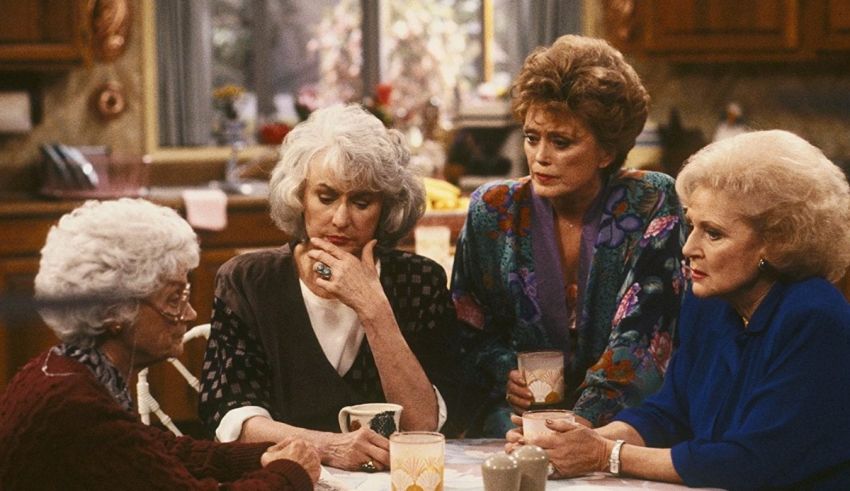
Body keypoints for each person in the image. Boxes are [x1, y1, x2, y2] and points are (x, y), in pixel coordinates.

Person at [507, 130, 850, 489]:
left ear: (777, 242)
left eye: (713, 233)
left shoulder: (815, 318)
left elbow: (750, 462)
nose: (688, 248)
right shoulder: (712, 305)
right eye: (690, 226)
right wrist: (576, 440)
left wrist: (604, 454)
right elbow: (668, 414)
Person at [199, 103, 461, 471]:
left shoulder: (419, 282)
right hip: (284, 481)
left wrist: (373, 309)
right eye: (326, 197)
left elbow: (423, 426)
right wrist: (328, 447)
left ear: (386, 209)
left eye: (361, 201)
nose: (340, 219)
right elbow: (231, 418)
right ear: (299, 197)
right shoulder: (247, 282)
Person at [451, 34, 685, 436]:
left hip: (620, 423)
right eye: (532, 137)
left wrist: (577, 426)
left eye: (561, 142)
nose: (541, 156)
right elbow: (467, 331)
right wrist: (505, 371)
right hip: (514, 424)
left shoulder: (650, 201)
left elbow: (643, 337)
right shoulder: (493, 210)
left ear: (606, 151)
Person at [0, 199, 320, 490]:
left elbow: (156, 449)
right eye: (174, 298)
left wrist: (260, 457)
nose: (190, 313)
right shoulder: (81, 410)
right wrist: (289, 474)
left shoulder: (61, 369)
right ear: (115, 310)